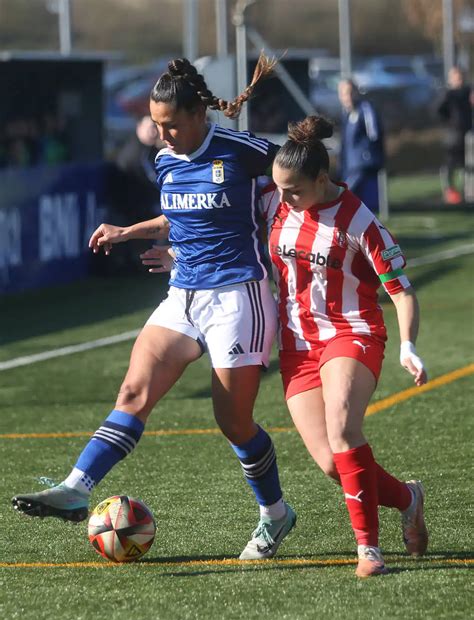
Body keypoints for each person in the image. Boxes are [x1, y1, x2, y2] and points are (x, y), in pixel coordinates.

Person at [11, 55, 296, 561]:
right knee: (133, 390)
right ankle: (77, 487)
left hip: (238, 298)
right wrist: (129, 232)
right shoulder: (166, 161)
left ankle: (275, 514)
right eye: (156, 124)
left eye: (171, 125)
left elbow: (300, 174)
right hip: (183, 294)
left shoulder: (241, 151)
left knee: (234, 422)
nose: (162, 135)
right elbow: (176, 217)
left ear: (198, 117)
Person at [263, 115, 428, 577]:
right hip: (297, 347)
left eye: (293, 190)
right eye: (278, 189)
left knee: (342, 431)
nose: (283, 198)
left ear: (323, 179)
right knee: (333, 464)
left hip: (352, 333)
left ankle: (368, 551)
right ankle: (408, 497)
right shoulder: (279, 201)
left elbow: (401, 290)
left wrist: (408, 346)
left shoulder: (360, 221)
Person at [338, 79, 385, 213]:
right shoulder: (346, 114)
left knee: (350, 199)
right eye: (344, 94)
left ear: (357, 92)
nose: (348, 97)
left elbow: (374, 134)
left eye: (350, 92)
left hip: (363, 166)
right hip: (350, 167)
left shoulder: (365, 109)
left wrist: (369, 156)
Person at [437, 66, 473, 204]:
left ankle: (467, 192)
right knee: (451, 164)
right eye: (456, 77)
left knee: (467, 166)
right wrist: (450, 123)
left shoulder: (468, 92)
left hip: (468, 136)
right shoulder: (448, 94)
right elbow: (438, 110)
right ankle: (450, 192)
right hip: (453, 137)